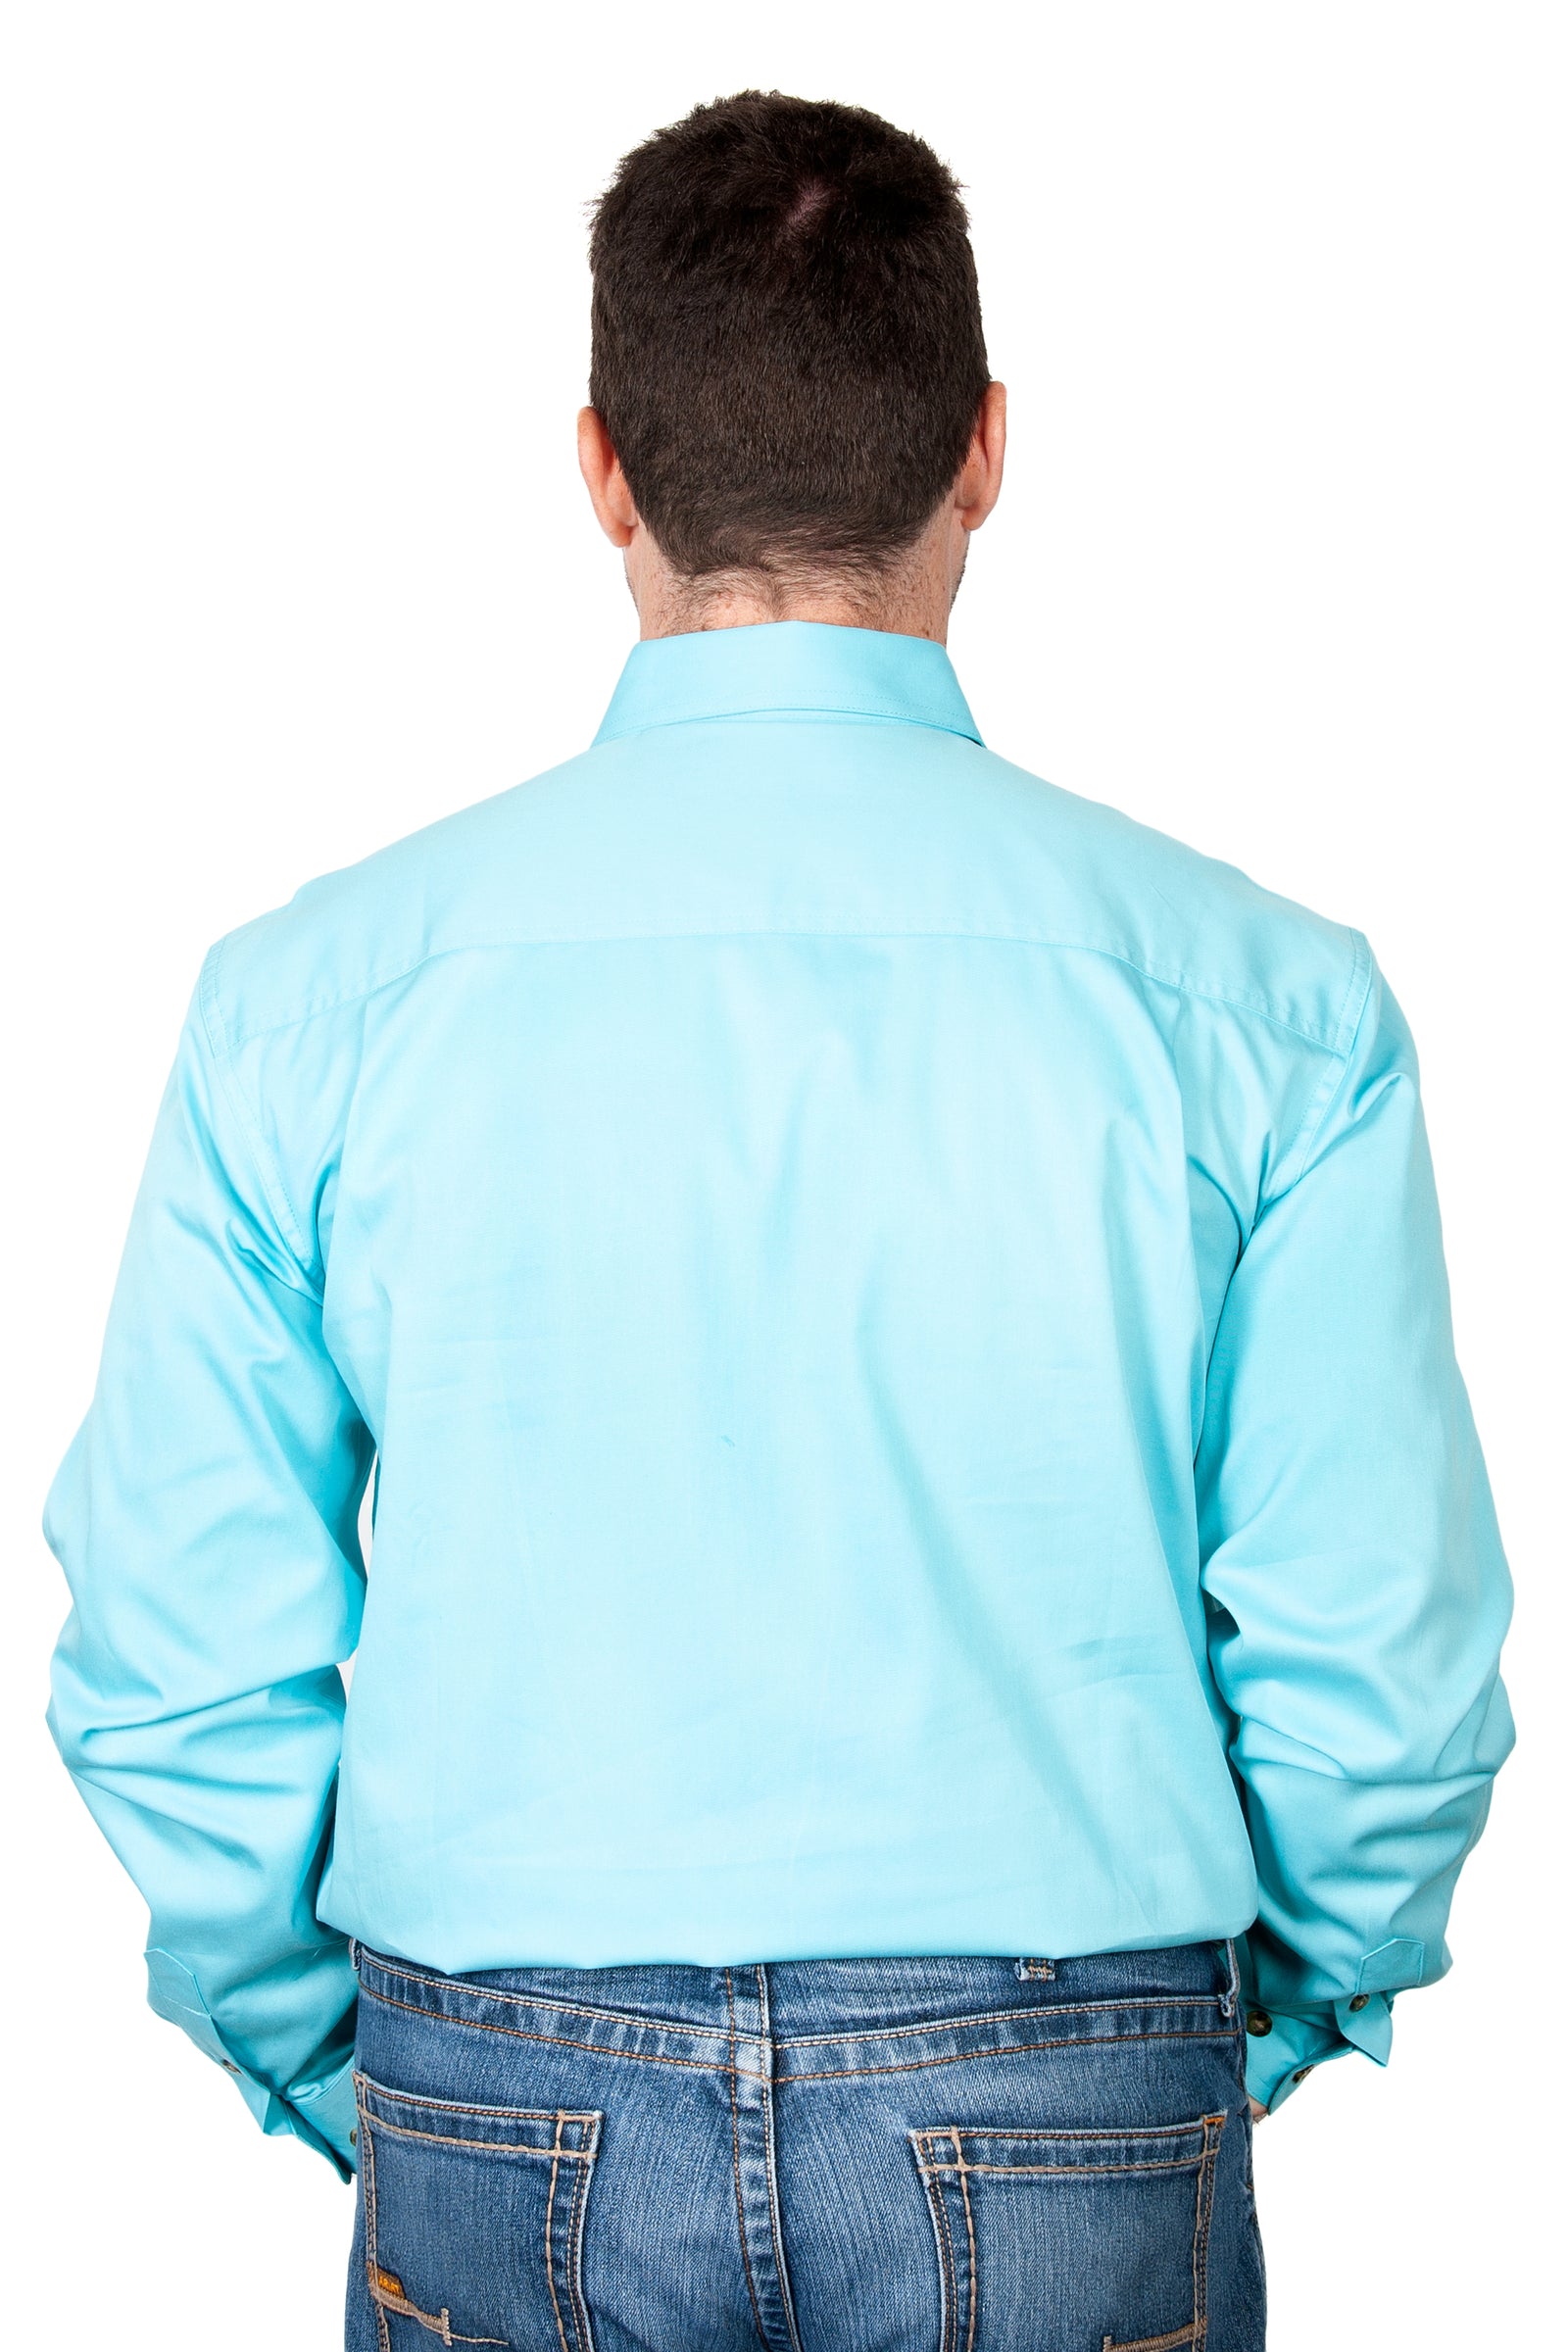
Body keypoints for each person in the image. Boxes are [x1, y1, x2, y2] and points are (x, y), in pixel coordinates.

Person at [45, 90, 1513, 2351]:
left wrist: (344, 2059)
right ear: (984, 451)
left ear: (600, 470)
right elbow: (1376, 1664)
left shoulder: (309, 1002)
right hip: (1076, 2059)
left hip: (499, 2070)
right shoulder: (1264, 1003)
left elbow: (178, 1649)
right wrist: (1261, 2020)